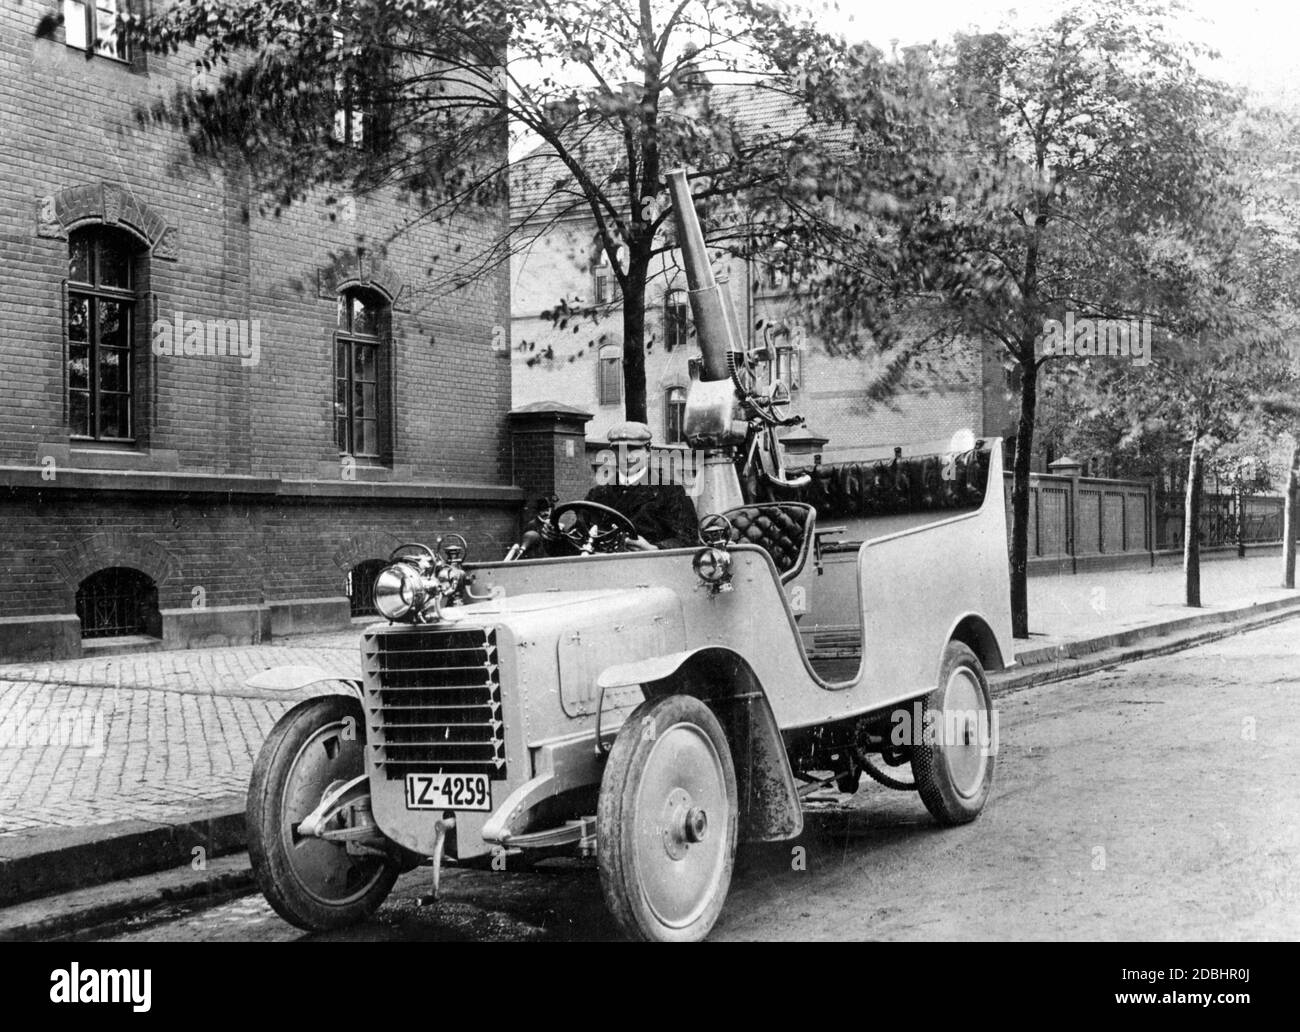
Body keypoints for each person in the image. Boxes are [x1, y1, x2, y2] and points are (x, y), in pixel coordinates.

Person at [585, 421, 700, 549]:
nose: (627, 457)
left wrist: (654, 549)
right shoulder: (597, 496)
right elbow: (580, 533)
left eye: (634, 449)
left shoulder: (670, 492)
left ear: (648, 451)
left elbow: (689, 539)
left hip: (652, 565)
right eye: (620, 450)